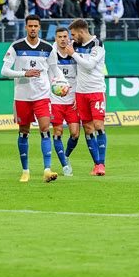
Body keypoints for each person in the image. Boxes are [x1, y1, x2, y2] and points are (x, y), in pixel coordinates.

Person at [0, 14, 68, 183]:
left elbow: (55, 70)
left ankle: (47, 169)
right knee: (24, 132)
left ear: (39, 27)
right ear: (26, 27)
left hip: (42, 95)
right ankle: (25, 170)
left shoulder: (47, 48)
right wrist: (24, 73)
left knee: (45, 129)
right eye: (30, 26)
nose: (33, 29)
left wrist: (63, 83)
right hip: (22, 97)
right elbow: (4, 71)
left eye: (35, 26)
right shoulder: (16, 46)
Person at [63, 19, 107, 176]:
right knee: (88, 128)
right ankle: (96, 165)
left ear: (81, 32)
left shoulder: (97, 45)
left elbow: (89, 65)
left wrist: (73, 53)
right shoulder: (74, 45)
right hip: (80, 93)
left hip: (96, 91)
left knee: (98, 125)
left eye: (73, 34)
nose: (72, 38)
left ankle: (102, 164)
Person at [50, 27, 81, 177]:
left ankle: (66, 155)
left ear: (68, 38)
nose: (63, 39)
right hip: (55, 100)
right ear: (55, 38)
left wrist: (78, 96)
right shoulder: (50, 54)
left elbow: (82, 75)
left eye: (65, 36)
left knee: (75, 134)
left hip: (72, 100)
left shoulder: (75, 54)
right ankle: (64, 165)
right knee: (58, 132)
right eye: (60, 37)